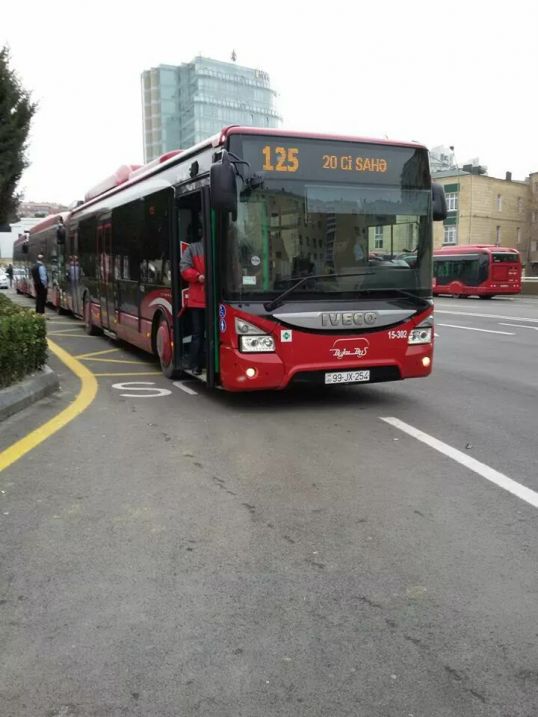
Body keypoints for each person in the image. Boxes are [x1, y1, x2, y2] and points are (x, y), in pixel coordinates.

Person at [180, 225, 206, 375]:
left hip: (212, 299)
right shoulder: (193, 248)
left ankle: (198, 364)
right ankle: (195, 365)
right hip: (198, 300)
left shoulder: (222, 245)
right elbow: (184, 268)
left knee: (200, 333)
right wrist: (198, 276)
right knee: (198, 333)